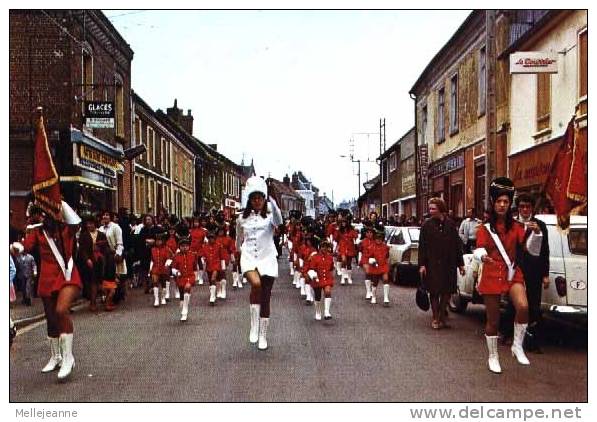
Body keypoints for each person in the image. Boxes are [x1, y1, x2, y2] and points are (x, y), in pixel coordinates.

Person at [473, 177, 543, 373]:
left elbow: (533, 251)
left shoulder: (518, 227)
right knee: (493, 320)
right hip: (492, 272)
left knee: (523, 306)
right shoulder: (484, 228)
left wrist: (537, 234)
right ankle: (493, 356)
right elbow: (478, 249)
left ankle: (517, 346)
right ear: (493, 203)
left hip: (512, 272)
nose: (502, 205)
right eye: (499, 202)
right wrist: (482, 256)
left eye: (506, 202)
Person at [23, 201, 82, 380]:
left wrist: (57, 200)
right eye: (41, 214)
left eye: (46, 214)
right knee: (51, 318)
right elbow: (25, 247)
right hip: (47, 278)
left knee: (61, 311)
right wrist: (15, 248)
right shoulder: (37, 231)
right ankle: (56, 356)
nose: (43, 217)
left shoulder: (67, 229)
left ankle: (68, 357)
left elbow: (76, 221)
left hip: (67, 274)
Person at [236, 176, 283, 350]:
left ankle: (263, 335)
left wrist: (274, 203)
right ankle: (253, 326)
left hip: (267, 258)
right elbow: (238, 239)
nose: (257, 201)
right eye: (254, 198)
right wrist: (238, 256)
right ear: (250, 200)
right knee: (255, 284)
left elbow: (279, 223)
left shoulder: (270, 216)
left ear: (264, 199)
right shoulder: (241, 218)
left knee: (265, 297)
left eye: (260, 198)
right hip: (249, 257)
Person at [418, 197, 465, 329]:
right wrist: (422, 265)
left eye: (433, 208)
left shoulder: (450, 225)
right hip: (432, 263)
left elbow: (457, 245)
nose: (431, 211)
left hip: (448, 263)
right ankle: (435, 318)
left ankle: (442, 317)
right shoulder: (426, 225)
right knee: (434, 291)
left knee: (446, 291)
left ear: (440, 209)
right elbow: (422, 246)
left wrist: (460, 264)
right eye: (430, 208)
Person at [515, 193, 549, 353]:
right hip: (516, 270)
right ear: (518, 207)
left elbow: (545, 251)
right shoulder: (513, 224)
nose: (525, 209)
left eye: (528, 206)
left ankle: (532, 340)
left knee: (534, 305)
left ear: (532, 208)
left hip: (534, 271)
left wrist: (545, 274)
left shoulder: (540, 225)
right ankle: (512, 336)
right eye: (522, 206)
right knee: (516, 304)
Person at [77, 215, 107, 311]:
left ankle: (104, 298)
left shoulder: (101, 234)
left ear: (95, 224)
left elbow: (106, 247)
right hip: (89, 262)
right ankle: (93, 302)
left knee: (100, 281)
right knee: (92, 282)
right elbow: (82, 250)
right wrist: (87, 259)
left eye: (91, 223)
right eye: (87, 224)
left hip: (100, 261)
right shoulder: (84, 235)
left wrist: (101, 248)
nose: (89, 225)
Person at [98, 211, 127, 302]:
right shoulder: (100, 229)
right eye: (103, 215)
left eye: (107, 215)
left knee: (117, 275)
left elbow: (119, 243)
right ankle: (107, 295)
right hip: (104, 256)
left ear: (110, 217)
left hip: (113, 254)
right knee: (106, 275)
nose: (105, 216)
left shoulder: (115, 227)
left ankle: (117, 295)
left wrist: (118, 254)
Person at [305, 239, 334, 320]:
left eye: (326, 247)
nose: (324, 249)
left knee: (328, 292)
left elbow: (331, 268)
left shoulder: (330, 258)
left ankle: (327, 312)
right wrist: (313, 275)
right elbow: (311, 268)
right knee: (318, 296)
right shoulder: (314, 257)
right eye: (323, 247)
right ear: (320, 248)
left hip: (327, 278)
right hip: (317, 278)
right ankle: (318, 312)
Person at [170, 236, 198, 321]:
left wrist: (196, 278)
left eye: (186, 246)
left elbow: (195, 267)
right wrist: (176, 272)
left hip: (190, 276)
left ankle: (184, 311)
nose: (184, 247)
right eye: (182, 246)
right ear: (179, 247)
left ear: (189, 246)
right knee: (182, 293)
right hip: (180, 277)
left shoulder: (193, 255)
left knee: (187, 287)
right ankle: (184, 302)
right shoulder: (176, 256)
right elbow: (173, 269)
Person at [362, 228, 391, 306]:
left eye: (380, 238)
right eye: (377, 238)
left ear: (382, 239)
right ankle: (373, 297)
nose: (378, 240)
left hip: (383, 265)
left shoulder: (386, 247)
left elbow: (387, 257)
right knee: (375, 283)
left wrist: (388, 266)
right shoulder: (371, 247)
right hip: (375, 266)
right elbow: (368, 256)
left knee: (386, 279)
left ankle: (386, 298)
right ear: (375, 239)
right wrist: (372, 260)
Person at [201, 231, 227, 305]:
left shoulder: (219, 246)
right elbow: (203, 256)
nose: (211, 239)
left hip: (217, 265)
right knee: (211, 281)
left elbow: (222, 257)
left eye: (212, 238)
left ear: (215, 239)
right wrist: (203, 260)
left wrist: (223, 267)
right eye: (209, 238)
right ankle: (215, 293)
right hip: (209, 266)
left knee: (213, 278)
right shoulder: (205, 247)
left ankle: (212, 297)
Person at [149, 231, 173, 307]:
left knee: (163, 284)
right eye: (157, 240)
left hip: (164, 268)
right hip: (155, 268)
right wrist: (150, 269)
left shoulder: (166, 249)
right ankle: (156, 299)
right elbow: (152, 260)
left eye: (160, 240)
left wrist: (167, 265)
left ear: (163, 241)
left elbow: (170, 258)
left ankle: (163, 297)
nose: (158, 242)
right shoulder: (153, 249)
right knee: (155, 282)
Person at [11, 242, 37, 306]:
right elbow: (16, 266)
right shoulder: (18, 257)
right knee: (23, 289)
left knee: (28, 288)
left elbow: (34, 265)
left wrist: (35, 272)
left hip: (29, 275)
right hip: (21, 275)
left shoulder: (30, 257)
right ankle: (25, 300)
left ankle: (29, 301)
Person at [336, 218, 358, 285]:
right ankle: (343, 277)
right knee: (344, 260)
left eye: (344, 222)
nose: (343, 224)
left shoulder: (351, 230)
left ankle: (349, 277)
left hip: (350, 247)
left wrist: (354, 231)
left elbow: (355, 236)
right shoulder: (339, 230)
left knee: (349, 263)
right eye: (342, 223)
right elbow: (336, 238)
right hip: (342, 247)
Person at [358, 226, 375, 300]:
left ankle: (372, 290)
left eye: (371, 232)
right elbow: (360, 251)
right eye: (368, 232)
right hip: (365, 259)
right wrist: (359, 260)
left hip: (374, 259)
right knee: (368, 272)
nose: (369, 234)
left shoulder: (376, 241)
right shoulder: (362, 242)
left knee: (373, 275)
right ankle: (368, 291)